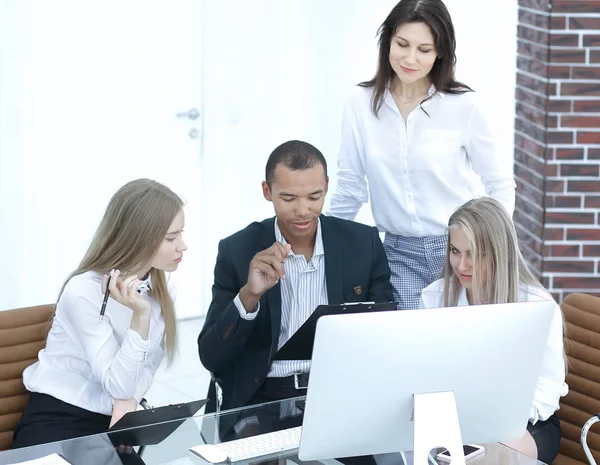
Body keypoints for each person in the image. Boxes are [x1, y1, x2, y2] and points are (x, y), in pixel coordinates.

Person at [328, 0, 516, 310]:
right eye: (402, 44)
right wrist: (324, 247)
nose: (410, 58)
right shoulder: (359, 104)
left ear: (440, 52)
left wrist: (488, 245)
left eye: (424, 49)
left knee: (462, 347)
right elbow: (350, 186)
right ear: (387, 39)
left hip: (460, 251)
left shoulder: (465, 107)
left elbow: (499, 184)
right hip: (398, 254)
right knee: (410, 346)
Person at [198, 140, 394, 413]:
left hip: (343, 390)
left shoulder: (363, 243)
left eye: (314, 197)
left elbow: (385, 332)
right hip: (264, 394)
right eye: (288, 198)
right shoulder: (237, 250)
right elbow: (211, 356)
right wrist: (249, 296)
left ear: (326, 186)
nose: (303, 211)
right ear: (267, 191)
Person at [13, 178, 187, 448]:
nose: (182, 246)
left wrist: (128, 406)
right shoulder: (84, 290)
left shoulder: (163, 289)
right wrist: (139, 317)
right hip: (59, 418)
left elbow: (143, 370)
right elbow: (118, 386)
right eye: (171, 238)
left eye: (181, 234)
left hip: (110, 421)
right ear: (138, 238)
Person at [420, 197, 568, 464]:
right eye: (455, 251)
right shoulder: (434, 297)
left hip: (526, 425)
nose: (461, 265)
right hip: (456, 422)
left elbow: (548, 389)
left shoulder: (537, 306)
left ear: (499, 253)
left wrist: (492, 420)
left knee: (486, 454)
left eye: (473, 254)